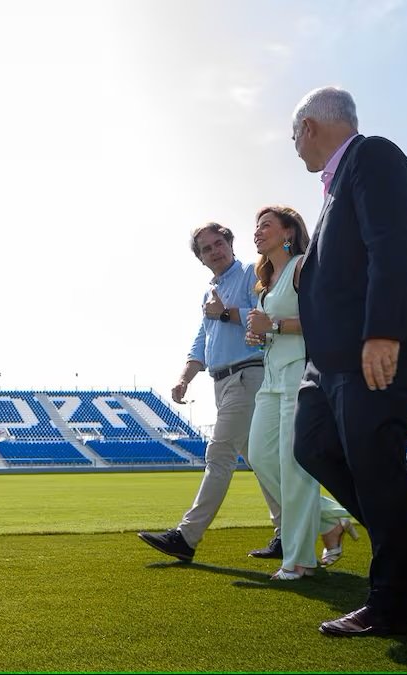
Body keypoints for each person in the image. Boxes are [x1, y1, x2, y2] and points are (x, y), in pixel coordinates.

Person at [288, 86, 407, 637]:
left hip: (375, 341)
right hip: (332, 356)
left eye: (293, 135)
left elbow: (393, 243)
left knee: (373, 458)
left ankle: (391, 602)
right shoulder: (335, 185)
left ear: (311, 127)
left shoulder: (374, 156)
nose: (294, 147)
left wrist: (383, 331)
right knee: (314, 446)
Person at [137, 223, 282, 563]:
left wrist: (225, 313)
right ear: (201, 259)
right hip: (222, 381)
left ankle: (186, 537)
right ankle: (288, 532)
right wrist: (185, 378)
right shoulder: (208, 292)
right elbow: (202, 339)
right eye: (207, 248)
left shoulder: (250, 272)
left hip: (249, 374)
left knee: (219, 455)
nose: (216, 251)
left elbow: (267, 315)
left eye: (220, 243)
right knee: (261, 462)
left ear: (231, 244)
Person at [243, 205, 357, 581]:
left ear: (288, 232)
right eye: (256, 227)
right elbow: (271, 331)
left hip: (298, 376)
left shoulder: (303, 266)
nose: (258, 232)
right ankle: (331, 518)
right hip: (271, 378)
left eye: (266, 226)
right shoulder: (265, 280)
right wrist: (260, 334)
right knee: (260, 456)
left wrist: (271, 324)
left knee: (293, 468)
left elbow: (324, 320)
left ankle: (299, 561)